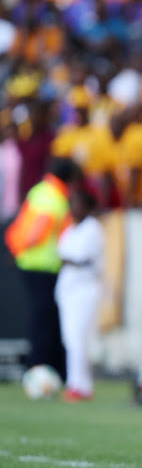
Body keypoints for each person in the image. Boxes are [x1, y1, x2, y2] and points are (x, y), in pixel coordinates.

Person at [4, 158, 81, 381]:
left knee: (43, 319)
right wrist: (20, 248)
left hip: (32, 265)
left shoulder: (40, 190)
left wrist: (16, 250)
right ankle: (39, 368)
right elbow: (36, 232)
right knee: (45, 321)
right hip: (43, 268)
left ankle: (47, 368)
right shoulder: (55, 197)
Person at [54, 187, 104, 401]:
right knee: (69, 338)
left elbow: (79, 258)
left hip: (84, 289)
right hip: (67, 289)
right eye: (72, 204)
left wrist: (66, 258)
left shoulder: (92, 228)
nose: (74, 208)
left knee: (78, 337)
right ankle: (76, 382)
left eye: (78, 204)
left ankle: (79, 384)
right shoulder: (70, 229)